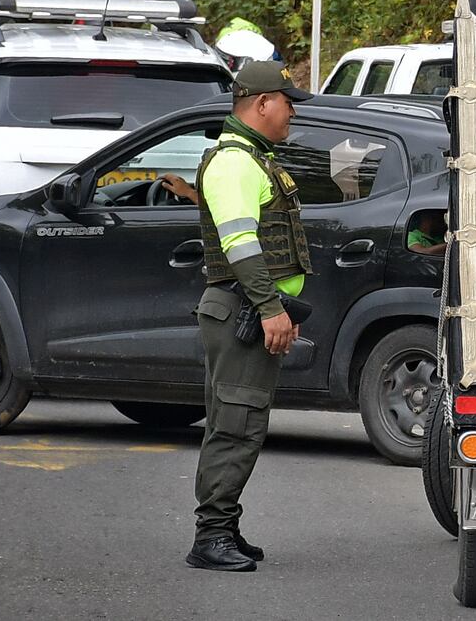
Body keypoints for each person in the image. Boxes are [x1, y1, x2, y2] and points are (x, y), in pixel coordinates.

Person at [186, 60, 313, 573]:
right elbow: (241, 246)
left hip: (248, 309)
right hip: (243, 310)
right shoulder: (236, 162)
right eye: (287, 102)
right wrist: (269, 307)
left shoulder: (251, 158)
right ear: (262, 103)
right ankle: (210, 535)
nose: (291, 113)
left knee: (237, 421)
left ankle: (225, 525)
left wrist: (277, 306)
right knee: (236, 424)